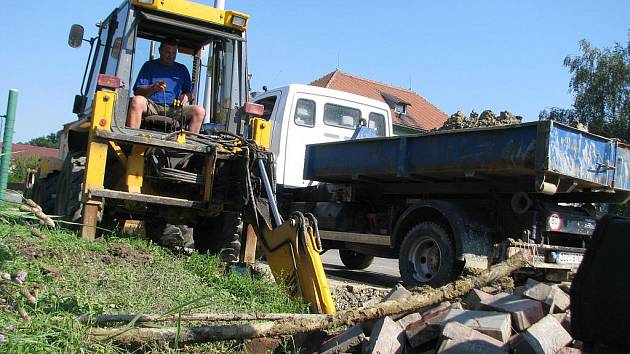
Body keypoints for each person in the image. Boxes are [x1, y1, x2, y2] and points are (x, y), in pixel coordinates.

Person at [126, 37, 205, 134]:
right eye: (168, 52)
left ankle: (191, 144)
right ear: (160, 51)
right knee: (136, 101)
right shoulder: (149, 66)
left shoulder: (182, 70)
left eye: (173, 53)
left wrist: (186, 97)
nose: (171, 56)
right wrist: (153, 87)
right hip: (152, 105)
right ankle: (131, 138)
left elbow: (189, 93)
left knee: (199, 111)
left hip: (174, 108)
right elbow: (137, 91)